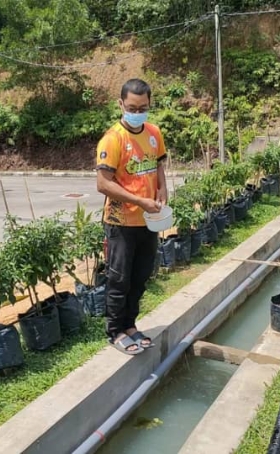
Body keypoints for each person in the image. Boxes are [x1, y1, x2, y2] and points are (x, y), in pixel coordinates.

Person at [95, 78, 168, 356]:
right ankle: (115, 331)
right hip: (120, 223)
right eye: (132, 107)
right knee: (119, 279)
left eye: (143, 107)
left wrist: (163, 189)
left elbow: (159, 164)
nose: (138, 112)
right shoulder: (113, 139)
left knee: (140, 277)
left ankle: (130, 325)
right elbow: (103, 183)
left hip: (148, 221)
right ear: (121, 104)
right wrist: (139, 200)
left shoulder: (153, 132)